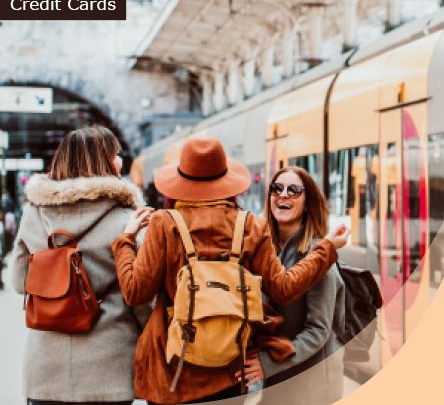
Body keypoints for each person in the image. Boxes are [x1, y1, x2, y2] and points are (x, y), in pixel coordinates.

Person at [112, 135, 350, 405]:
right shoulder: (250, 226)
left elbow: (135, 292)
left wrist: (125, 241)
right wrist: (326, 248)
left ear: (181, 181)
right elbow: (284, 289)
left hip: (172, 375)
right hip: (229, 372)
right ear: (226, 181)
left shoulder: (164, 224)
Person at [10, 126, 151, 405]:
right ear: (103, 161)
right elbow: (142, 298)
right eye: (116, 155)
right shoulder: (128, 221)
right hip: (109, 369)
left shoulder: (33, 214)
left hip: (45, 370)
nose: (121, 161)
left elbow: (18, 281)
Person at [249, 167, 346, 404]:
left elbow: (318, 331)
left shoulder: (318, 257)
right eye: (277, 188)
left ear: (307, 204)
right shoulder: (266, 253)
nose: (283, 195)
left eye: (294, 190)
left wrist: (268, 363)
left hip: (310, 388)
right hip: (277, 385)